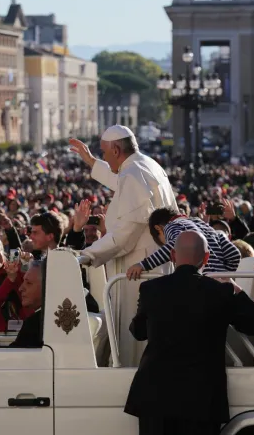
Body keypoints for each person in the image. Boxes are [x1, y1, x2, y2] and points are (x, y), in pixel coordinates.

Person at [124, 231, 254, 435]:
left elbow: (138, 332)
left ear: (172, 255)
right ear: (206, 258)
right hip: (201, 399)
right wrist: (236, 290)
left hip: (155, 395)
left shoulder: (150, 289)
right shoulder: (219, 292)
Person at [69, 125, 177, 366]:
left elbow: (123, 235)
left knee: (135, 340)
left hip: (139, 270)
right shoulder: (145, 165)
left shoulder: (133, 174)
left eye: (105, 153)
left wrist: (85, 256)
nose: (105, 157)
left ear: (116, 149)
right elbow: (122, 182)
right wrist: (92, 162)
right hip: (152, 263)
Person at [126, 207, 241, 280]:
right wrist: (224, 275)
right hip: (222, 284)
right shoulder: (203, 225)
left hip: (202, 283)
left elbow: (176, 244)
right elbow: (234, 253)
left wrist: (143, 265)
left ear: (158, 228)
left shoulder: (172, 226)